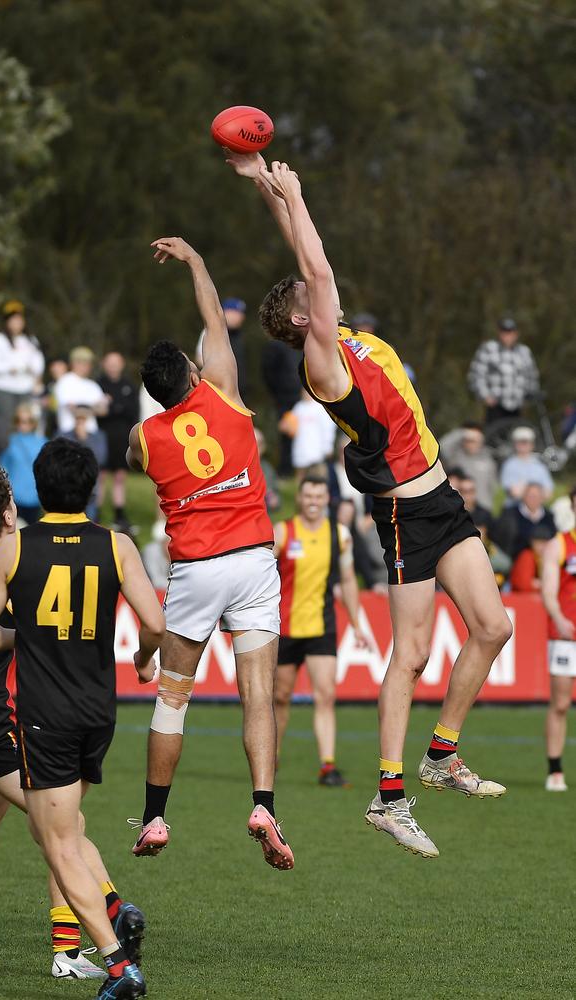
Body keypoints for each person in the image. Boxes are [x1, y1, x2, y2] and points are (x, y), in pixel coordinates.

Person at [228, 150, 512, 858]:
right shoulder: (321, 362)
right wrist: (297, 194)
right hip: (404, 514)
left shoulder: (343, 336)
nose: (323, 290)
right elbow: (316, 272)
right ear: (303, 318)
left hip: (442, 496)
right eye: (311, 298)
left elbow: (308, 264)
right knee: (410, 654)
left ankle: (441, 754)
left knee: (495, 625)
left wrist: (270, 186)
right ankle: (389, 798)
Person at [0, 439, 165, 997]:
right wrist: (143, 659)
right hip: (98, 711)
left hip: (44, 715)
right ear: (91, 488)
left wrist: (25, 635)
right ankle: (114, 907)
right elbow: (153, 625)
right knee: (61, 826)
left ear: (38, 485)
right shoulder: (118, 545)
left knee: (54, 839)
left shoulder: (15, 549)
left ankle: (118, 965)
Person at [126, 236, 293, 871]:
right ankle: (263, 804)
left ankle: (155, 817)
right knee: (258, 695)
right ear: (194, 376)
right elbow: (213, 321)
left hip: (195, 570)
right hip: (253, 560)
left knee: (172, 697)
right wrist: (198, 262)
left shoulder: (145, 436)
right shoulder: (223, 392)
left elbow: (137, 456)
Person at [0, 469, 111, 981]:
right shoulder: (9, 572)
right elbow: (29, 630)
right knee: (63, 823)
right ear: (7, 516)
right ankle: (68, 953)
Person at [273, 475, 369, 786]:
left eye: (319, 495)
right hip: (284, 627)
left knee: (325, 696)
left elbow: (348, 579)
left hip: (321, 627)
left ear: (328, 499)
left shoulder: (339, 535)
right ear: (299, 499)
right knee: (280, 697)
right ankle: (269, 756)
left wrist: (356, 623)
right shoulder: (282, 532)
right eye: (308, 495)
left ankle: (328, 765)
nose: (313, 501)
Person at [540, 486, 576, 792]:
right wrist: (560, 618)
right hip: (566, 635)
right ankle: (555, 769)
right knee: (561, 703)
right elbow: (549, 593)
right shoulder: (559, 545)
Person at [467, 316, 540, 425]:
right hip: (495, 406)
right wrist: (485, 396)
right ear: (499, 333)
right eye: (504, 331)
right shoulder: (488, 349)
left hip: (518, 407)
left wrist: (530, 396)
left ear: (516, 334)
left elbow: (532, 376)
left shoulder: (524, 351)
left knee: (517, 436)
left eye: (510, 332)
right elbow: (477, 375)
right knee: (493, 437)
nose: (507, 335)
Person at [0, 301, 45, 424]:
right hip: (4, 388)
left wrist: (33, 371)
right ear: (6, 321)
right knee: (7, 423)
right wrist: (9, 368)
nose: (17, 322)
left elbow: (39, 363)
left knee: (26, 421)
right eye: (13, 319)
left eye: (19, 319)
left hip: (25, 388)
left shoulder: (30, 340)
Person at [98, 352, 140, 531]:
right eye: (110, 362)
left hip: (122, 437)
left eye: (116, 362)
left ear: (122, 364)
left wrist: (113, 407)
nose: (113, 366)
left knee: (120, 476)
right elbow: (100, 412)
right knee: (100, 475)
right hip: (101, 436)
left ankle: (119, 515)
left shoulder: (129, 386)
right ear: (104, 364)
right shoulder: (97, 385)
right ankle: (95, 513)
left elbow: (132, 411)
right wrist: (115, 409)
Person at [0, 403, 47, 524]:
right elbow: (3, 467)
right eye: (19, 420)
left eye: (27, 421)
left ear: (33, 423)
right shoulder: (10, 441)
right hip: (14, 499)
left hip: (35, 498)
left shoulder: (43, 443)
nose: (22, 424)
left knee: (31, 537)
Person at [260, 338, 301, 477]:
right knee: (287, 434)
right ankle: (286, 470)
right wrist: (278, 393)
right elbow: (268, 371)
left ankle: (299, 467)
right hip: (285, 399)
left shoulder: (304, 340)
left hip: (304, 397)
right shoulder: (277, 344)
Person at [60, 406, 108, 521]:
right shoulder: (64, 436)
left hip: (90, 488)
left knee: (90, 521)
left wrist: (84, 439)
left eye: (83, 419)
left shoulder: (98, 437)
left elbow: (101, 458)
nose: (80, 423)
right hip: (69, 488)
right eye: (78, 419)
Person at [439, 422, 498, 511]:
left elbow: (493, 487)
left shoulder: (488, 460)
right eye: (468, 440)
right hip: (459, 509)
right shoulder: (456, 458)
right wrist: (463, 433)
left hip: (483, 509)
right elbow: (442, 446)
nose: (471, 444)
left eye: (474, 440)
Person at [281, 388, 336, 478]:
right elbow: (290, 425)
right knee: (301, 476)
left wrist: (328, 446)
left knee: (318, 476)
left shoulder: (320, 407)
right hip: (300, 449)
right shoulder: (298, 407)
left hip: (316, 451)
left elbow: (327, 428)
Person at [493, 482, 556, 560]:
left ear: (542, 498)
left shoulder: (549, 516)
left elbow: (553, 538)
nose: (533, 499)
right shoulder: (510, 514)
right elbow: (500, 538)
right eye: (530, 496)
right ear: (523, 497)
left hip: (544, 558)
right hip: (515, 558)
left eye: (536, 496)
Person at [54, 346, 109, 435]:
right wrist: (93, 408)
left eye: (88, 363)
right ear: (73, 363)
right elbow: (71, 407)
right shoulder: (64, 381)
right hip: (69, 432)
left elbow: (104, 410)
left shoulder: (93, 385)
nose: (86, 366)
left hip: (92, 433)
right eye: (82, 362)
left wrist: (82, 408)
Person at [500, 426, 554, 504]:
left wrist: (524, 490)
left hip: (535, 510)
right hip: (514, 509)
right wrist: (535, 494)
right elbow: (512, 492)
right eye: (520, 442)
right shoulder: (509, 465)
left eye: (526, 442)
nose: (523, 445)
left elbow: (548, 492)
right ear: (515, 444)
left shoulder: (540, 465)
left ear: (532, 444)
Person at [509, 523, 554, 592]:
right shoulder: (527, 556)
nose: (542, 546)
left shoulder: (547, 557)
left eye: (545, 543)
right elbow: (524, 585)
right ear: (532, 542)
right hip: (521, 597)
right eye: (539, 543)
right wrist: (543, 585)